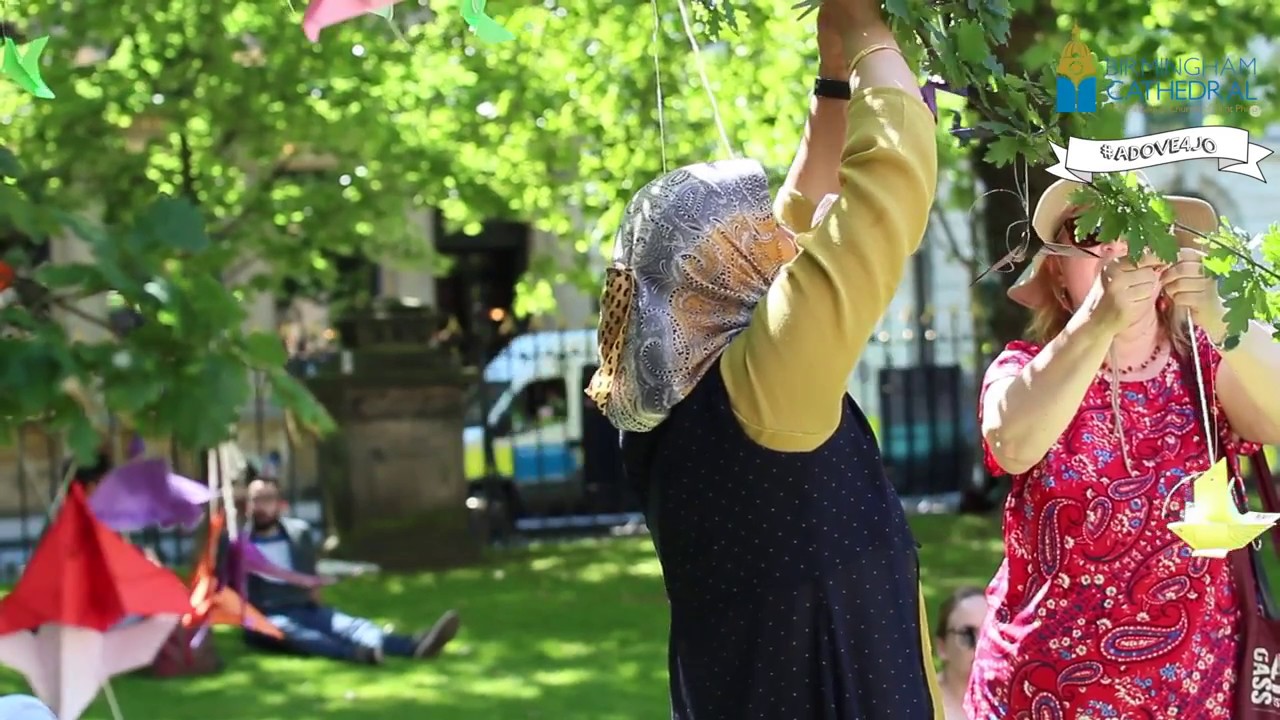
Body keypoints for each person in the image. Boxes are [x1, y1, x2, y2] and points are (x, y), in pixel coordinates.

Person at [584, 0, 941, 714]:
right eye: (749, 235)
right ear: (715, 272)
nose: (775, 240)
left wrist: (833, 79)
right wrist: (867, 27)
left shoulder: (675, 400)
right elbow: (885, 194)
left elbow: (803, 212)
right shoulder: (763, 383)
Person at [968, 176, 1280, 718]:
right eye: (1091, 232)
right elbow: (1012, 442)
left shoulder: (1207, 365)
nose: (1116, 246)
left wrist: (1227, 320)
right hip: (1046, 696)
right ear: (1059, 274)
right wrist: (1096, 322)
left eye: (1137, 227)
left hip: (1198, 693)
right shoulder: (1020, 368)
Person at [233, 477, 461, 665]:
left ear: (279, 504)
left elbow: (310, 576)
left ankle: (415, 646)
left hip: (303, 606)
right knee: (299, 635)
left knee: (351, 625)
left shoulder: (299, 535)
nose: (262, 506)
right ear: (248, 505)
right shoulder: (239, 544)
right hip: (266, 615)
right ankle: (357, 654)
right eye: (256, 500)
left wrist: (318, 607)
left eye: (268, 499)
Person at [934, 586, 987, 720]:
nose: (980, 645)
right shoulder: (919, 704)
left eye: (988, 634)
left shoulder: (1016, 703)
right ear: (942, 647)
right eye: (967, 634)